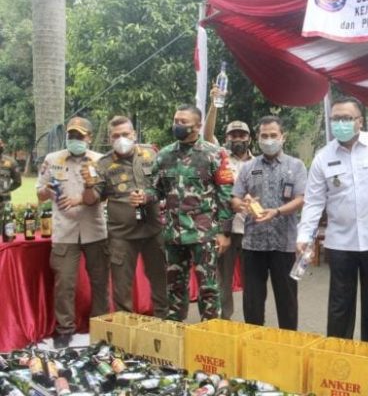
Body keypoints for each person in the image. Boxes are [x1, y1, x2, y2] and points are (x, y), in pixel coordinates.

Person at [297, 96, 368, 343]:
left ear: (360, 121)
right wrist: (304, 236)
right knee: (339, 307)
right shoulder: (323, 157)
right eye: (336, 119)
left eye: (346, 118)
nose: (340, 124)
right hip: (340, 243)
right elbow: (314, 201)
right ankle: (338, 360)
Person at [142, 105, 234, 321]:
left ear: (198, 125)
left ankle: (210, 334)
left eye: (183, 121)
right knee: (174, 287)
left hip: (204, 235)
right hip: (174, 235)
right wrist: (144, 196)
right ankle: (175, 332)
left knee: (208, 288)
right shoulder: (164, 155)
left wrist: (224, 232)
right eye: (176, 120)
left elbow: (225, 195)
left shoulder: (214, 155)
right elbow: (156, 189)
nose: (178, 125)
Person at [82, 116, 168, 318]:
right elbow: (92, 199)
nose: (121, 139)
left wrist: (147, 196)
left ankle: (165, 325)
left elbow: (165, 186)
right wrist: (87, 185)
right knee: (121, 289)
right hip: (121, 236)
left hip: (153, 231)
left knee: (161, 281)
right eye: (116, 136)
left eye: (125, 134)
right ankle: (125, 336)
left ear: (134, 134)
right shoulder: (102, 164)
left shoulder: (152, 154)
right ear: (110, 139)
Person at [36, 117, 109, 348]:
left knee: (99, 281)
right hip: (65, 230)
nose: (74, 140)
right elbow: (39, 193)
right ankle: (65, 329)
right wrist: (46, 191)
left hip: (95, 230)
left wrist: (81, 197)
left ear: (89, 137)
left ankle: (100, 326)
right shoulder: (52, 159)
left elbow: (102, 194)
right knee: (64, 282)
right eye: (71, 135)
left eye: (79, 136)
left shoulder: (100, 161)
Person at [232, 116, 306, 329]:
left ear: (283, 137)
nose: (269, 140)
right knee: (252, 303)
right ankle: (254, 344)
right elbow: (235, 198)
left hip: (284, 244)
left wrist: (277, 211)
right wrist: (242, 204)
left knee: (287, 302)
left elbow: (302, 199)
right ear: (258, 138)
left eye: (273, 135)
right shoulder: (248, 167)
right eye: (264, 136)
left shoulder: (296, 166)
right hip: (253, 245)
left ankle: (289, 344)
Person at [203, 86, 255, 319]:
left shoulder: (258, 163)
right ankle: (226, 319)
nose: (237, 139)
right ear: (226, 139)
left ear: (249, 138)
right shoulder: (219, 156)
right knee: (223, 279)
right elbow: (206, 134)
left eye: (241, 135)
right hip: (225, 229)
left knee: (252, 279)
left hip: (252, 228)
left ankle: (251, 320)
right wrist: (214, 103)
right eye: (233, 135)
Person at [0, 138, 22, 210]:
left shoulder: (10, 162)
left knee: (6, 220)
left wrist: (6, 190)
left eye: (1, 144)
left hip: (4, 202)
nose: (1, 146)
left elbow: (17, 182)